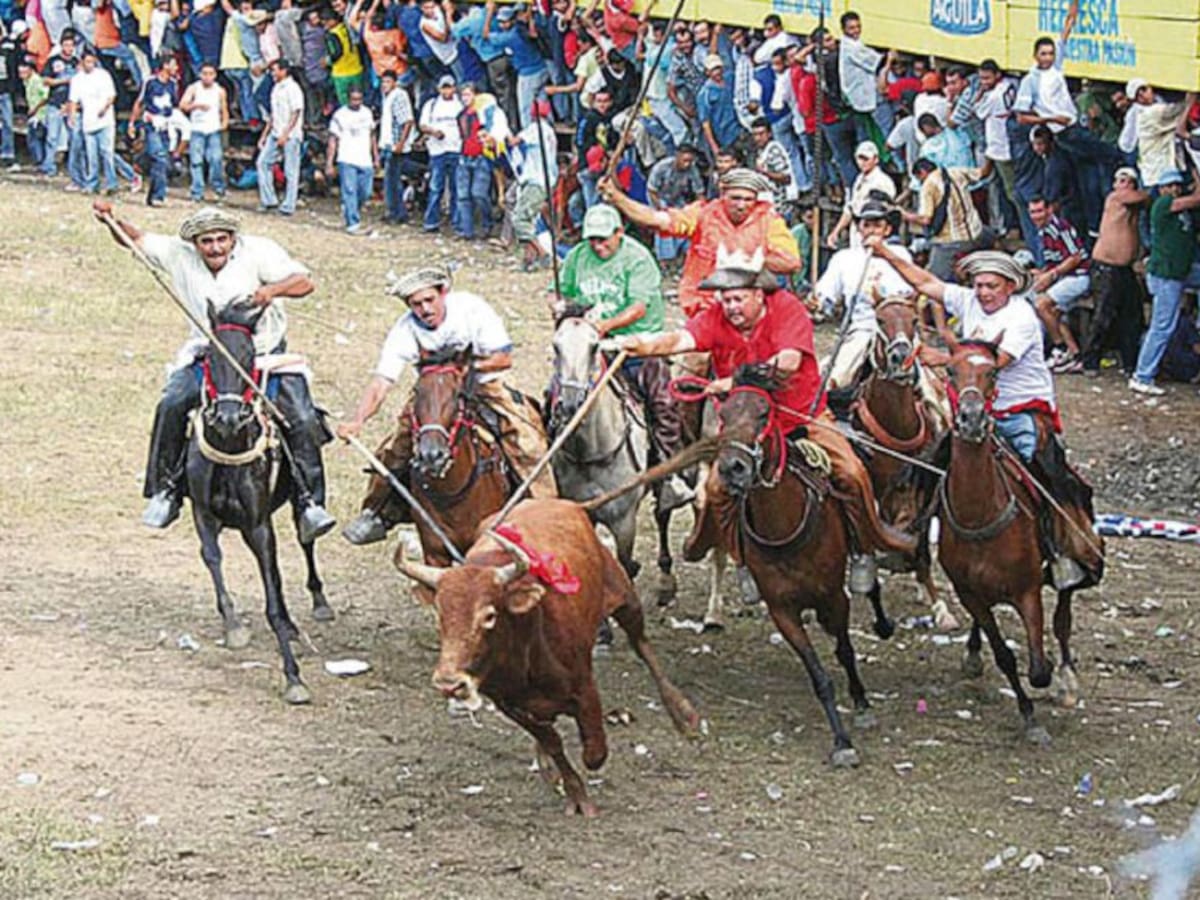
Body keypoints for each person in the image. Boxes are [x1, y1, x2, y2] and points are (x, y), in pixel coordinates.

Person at [604, 246, 917, 589]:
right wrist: (640, 344)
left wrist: (733, 381)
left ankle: (863, 548)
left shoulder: (787, 308)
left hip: (801, 417)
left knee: (852, 473)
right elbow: (681, 339)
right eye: (726, 299)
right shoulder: (717, 317)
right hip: (746, 426)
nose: (731, 307)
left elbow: (788, 363)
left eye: (738, 299)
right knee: (716, 489)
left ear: (758, 294)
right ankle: (739, 557)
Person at [92, 202, 335, 542]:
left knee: (303, 419)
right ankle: (165, 490)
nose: (215, 247)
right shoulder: (178, 254)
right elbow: (134, 238)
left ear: (233, 238)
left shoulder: (260, 251)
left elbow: (304, 283)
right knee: (171, 404)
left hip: (265, 357)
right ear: (195, 243)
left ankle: (310, 503)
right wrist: (111, 219)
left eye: (222, 239)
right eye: (207, 241)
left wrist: (271, 291)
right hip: (209, 358)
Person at [865, 242, 1100, 588]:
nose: (984, 292)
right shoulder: (969, 301)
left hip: (1021, 410)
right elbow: (925, 283)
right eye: (979, 285)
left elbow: (995, 362)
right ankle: (911, 538)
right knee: (927, 469)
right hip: (974, 411)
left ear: (1010, 286)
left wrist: (943, 359)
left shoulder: (1021, 317)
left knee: (1043, 472)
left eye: (992, 286)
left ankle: (1061, 548)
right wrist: (886, 254)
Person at [338, 264, 557, 545]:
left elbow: (503, 359)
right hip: (434, 390)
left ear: (443, 293)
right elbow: (381, 382)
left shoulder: (472, 310)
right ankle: (376, 512)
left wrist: (460, 369)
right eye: (416, 304)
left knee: (527, 442)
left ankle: (548, 514)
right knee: (395, 448)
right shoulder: (404, 329)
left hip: (484, 383)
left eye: (429, 300)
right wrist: (358, 420)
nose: (425, 309)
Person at [554, 204, 693, 511]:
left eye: (603, 239)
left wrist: (604, 326)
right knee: (557, 393)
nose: (597, 245)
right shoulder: (577, 256)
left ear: (619, 232)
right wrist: (560, 308)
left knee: (662, 403)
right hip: (589, 344)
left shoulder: (638, 258)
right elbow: (561, 292)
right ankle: (551, 463)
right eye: (592, 239)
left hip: (635, 344)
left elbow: (639, 307)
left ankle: (669, 475)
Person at [600, 166, 800, 317]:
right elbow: (657, 220)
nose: (742, 205)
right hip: (704, 305)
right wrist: (618, 198)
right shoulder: (703, 213)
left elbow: (791, 262)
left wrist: (749, 260)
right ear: (723, 195)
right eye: (736, 198)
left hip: (749, 309)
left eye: (748, 199)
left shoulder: (768, 220)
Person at [1129, 170, 1200, 396]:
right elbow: (1197, 198)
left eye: (1177, 185)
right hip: (1166, 275)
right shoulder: (1162, 205)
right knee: (1162, 326)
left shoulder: (1184, 212)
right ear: (1161, 189)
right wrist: (1197, 175)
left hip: (1181, 271)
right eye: (1170, 186)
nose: (1174, 189)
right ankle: (1142, 375)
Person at [1080, 167, 1146, 377]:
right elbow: (1144, 196)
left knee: (1132, 316)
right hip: (1106, 268)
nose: (1126, 184)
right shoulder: (1115, 198)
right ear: (1115, 184)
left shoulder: (1134, 206)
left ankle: (1130, 363)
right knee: (1103, 316)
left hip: (1125, 269)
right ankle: (1089, 361)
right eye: (1121, 180)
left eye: (1130, 181)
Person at [900, 156, 994, 280]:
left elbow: (925, 219)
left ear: (922, 173)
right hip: (977, 232)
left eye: (919, 179)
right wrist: (990, 156)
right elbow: (984, 172)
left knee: (933, 279)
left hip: (951, 241)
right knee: (991, 236)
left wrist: (904, 215)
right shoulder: (956, 172)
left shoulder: (928, 186)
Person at [1027, 195, 1089, 373]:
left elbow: (1075, 256)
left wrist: (1051, 275)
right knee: (1052, 312)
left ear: (1049, 210)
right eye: (1032, 212)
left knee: (1041, 304)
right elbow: (1054, 260)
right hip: (1063, 277)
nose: (1036, 216)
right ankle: (1075, 355)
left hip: (1078, 276)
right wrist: (1042, 274)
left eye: (1039, 211)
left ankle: (1059, 348)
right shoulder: (1043, 231)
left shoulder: (1060, 228)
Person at [128, 54, 179, 207]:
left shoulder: (173, 84)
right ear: (165, 66)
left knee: (160, 161)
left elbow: (173, 105)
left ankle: (150, 190)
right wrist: (132, 123)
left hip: (166, 125)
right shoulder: (150, 82)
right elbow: (139, 102)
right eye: (173, 64)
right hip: (151, 124)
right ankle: (159, 195)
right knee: (159, 157)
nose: (176, 68)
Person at [326, 86, 378, 235]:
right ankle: (353, 223)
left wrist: (375, 156)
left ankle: (351, 209)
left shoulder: (367, 113)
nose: (356, 102)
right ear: (348, 99)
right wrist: (330, 162)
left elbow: (372, 135)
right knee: (349, 190)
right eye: (354, 99)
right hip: (346, 157)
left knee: (366, 191)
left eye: (359, 99)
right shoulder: (340, 115)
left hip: (365, 159)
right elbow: (333, 140)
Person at [67, 46, 119, 195]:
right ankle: (92, 183)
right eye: (87, 62)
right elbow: (73, 100)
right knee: (92, 156)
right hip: (88, 121)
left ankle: (111, 183)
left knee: (107, 153)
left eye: (92, 61)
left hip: (105, 120)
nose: (90, 64)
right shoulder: (77, 79)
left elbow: (111, 95)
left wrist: (105, 108)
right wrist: (72, 115)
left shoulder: (103, 75)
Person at [256, 59, 304, 216]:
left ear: (284, 71)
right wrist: (264, 135)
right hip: (275, 133)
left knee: (291, 170)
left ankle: (289, 205)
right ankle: (269, 200)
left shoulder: (293, 88)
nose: (272, 73)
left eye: (275, 70)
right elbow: (273, 115)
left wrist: (286, 134)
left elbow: (296, 113)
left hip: (291, 135)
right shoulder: (276, 88)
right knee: (263, 163)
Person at [826, 140, 895, 249]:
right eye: (860, 159)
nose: (862, 163)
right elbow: (850, 208)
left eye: (866, 159)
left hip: (873, 231)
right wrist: (836, 231)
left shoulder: (883, 182)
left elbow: (884, 212)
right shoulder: (859, 179)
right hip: (858, 230)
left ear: (875, 159)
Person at [645, 144, 704, 267]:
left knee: (685, 217)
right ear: (677, 156)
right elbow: (652, 190)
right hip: (658, 197)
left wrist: (701, 210)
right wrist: (661, 208)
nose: (687, 164)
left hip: (676, 198)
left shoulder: (692, 169)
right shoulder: (662, 167)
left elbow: (699, 192)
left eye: (690, 161)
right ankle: (665, 259)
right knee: (664, 221)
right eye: (685, 160)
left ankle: (684, 251)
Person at [418, 73, 463, 232]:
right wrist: (434, 132)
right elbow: (423, 125)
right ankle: (431, 222)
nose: (446, 91)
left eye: (449, 87)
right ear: (439, 89)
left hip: (456, 149)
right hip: (437, 150)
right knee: (435, 188)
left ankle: (457, 222)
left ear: (454, 88)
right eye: (444, 88)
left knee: (457, 188)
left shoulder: (460, 104)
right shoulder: (431, 105)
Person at [180, 61, 230, 202]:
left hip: (213, 129)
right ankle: (197, 191)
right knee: (196, 161)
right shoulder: (193, 88)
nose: (207, 77)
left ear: (215, 75)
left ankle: (218, 187)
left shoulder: (220, 91)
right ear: (200, 75)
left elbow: (224, 108)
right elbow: (183, 105)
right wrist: (195, 106)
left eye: (210, 74)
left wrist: (224, 123)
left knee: (216, 159)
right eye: (205, 74)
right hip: (197, 128)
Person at [379, 68, 416, 224]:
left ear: (394, 82)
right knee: (390, 180)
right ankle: (393, 211)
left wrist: (400, 143)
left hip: (395, 145)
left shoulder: (399, 96)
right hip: (388, 143)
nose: (385, 85)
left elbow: (407, 121)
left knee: (394, 181)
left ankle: (398, 213)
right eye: (383, 82)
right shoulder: (387, 97)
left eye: (388, 81)